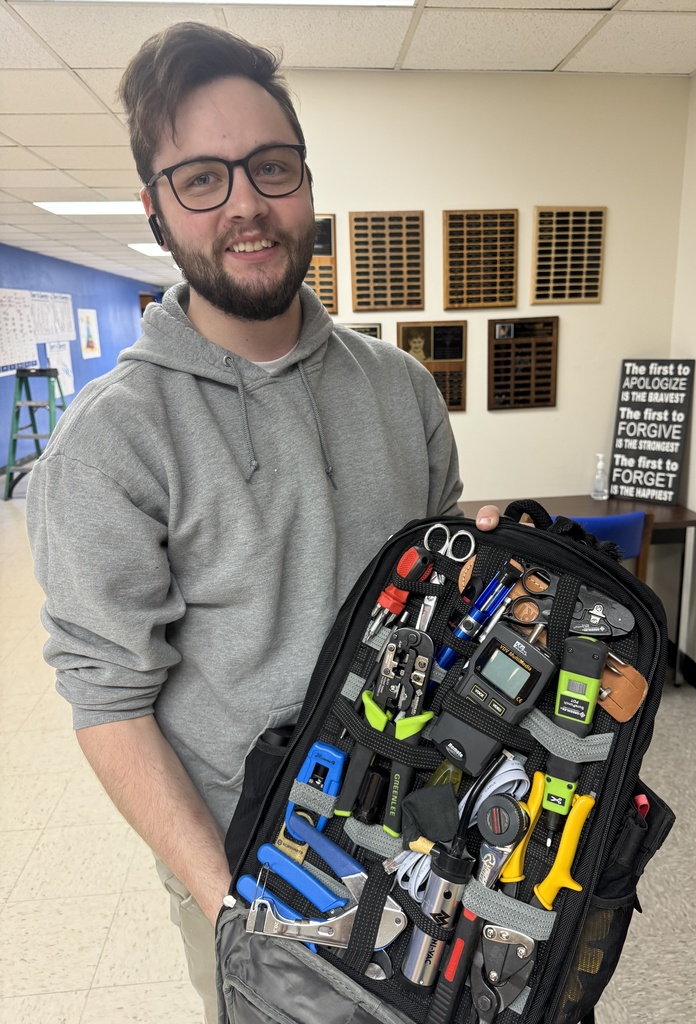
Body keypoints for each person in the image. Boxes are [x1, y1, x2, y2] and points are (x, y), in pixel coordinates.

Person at [25, 21, 499, 1022]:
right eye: (202, 178)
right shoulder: (110, 441)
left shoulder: (403, 388)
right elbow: (109, 704)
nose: (245, 204)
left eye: (270, 167)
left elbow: (438, 587)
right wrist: (233, 911)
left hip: (417, 824)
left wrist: (488, 567)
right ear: (157, 209)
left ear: (307, 184)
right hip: (250, 866)